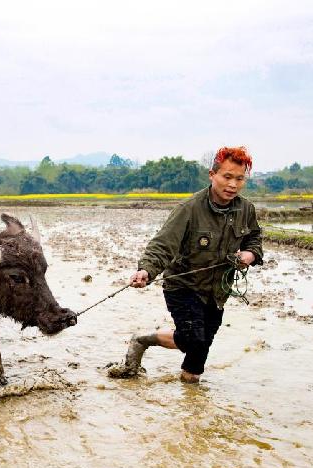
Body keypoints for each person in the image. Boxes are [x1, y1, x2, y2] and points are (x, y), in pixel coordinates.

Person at [108, 146, 263, 383]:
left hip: (217, 291)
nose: (232, 184)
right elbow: (163, 244)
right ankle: (142, 340)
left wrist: (250, 255)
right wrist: (146, 270)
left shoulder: (246, 210)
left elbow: (254, 238)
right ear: (212, 175)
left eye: (239, 179)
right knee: (193, 339)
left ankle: (191, 394)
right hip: (183, 286)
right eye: (227, 177)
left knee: (198, 354)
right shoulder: (189, 209)